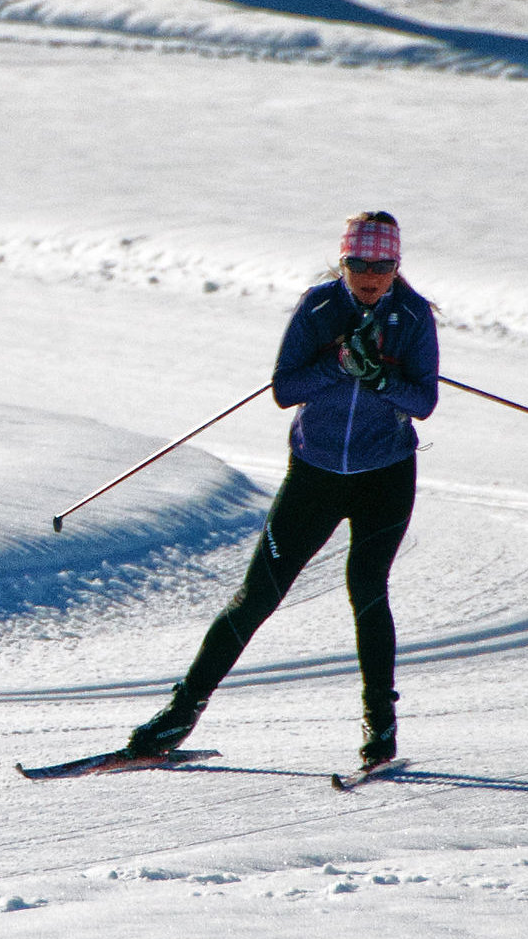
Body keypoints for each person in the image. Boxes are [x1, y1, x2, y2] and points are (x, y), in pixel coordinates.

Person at [125, 211, 439, 769]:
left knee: (366, 586)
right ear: (342, 262)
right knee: (257, 596)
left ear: (397, 266)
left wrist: (380, 378)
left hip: (383, 476)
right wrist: (340, 364)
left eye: (382, 264)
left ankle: (381, 727)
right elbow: (284, 387)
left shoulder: (412, 316)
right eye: (358, 263)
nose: (369, 275)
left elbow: (423, 403)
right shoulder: (319, 308)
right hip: (315, 473)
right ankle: (179, 713)